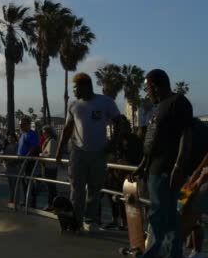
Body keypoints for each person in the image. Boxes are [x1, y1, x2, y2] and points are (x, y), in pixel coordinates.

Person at [126, 69, 193, 258]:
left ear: (156, 85)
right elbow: (152, 141)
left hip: (166, 170)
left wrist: (178, 166)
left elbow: (186, 134)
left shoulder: (178, 103)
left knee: (156, 217)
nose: (147, 92)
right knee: (171, 218)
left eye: (147, 87)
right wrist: (142, 164)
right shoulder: (158, 108)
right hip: (153, 168)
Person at [56, 73, 122, 232]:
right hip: (78, 153)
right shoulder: (73, 105)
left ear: (86, 86)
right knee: (76, 190)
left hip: (99, 153)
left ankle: (90, 220)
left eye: (76, 88)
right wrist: (59, 151)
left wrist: (113, 143)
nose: (74, 91)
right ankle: (75, 221)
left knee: (94, 190)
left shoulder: (105, 102)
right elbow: (67, 129)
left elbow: (119, 122)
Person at [103, 117, 143, 230]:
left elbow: (137, 158)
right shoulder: (116, 140)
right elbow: (110, 153)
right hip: (113, 174)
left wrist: (132, 170)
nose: (117, 128)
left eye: (119, 126)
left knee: (126, 199)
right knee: (113, 197)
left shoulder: (133, 140)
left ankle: (126, 223)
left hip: (126, 175)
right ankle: (116, 220)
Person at [180, 151, 208, 258]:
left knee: (188, 218)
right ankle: (195, 254)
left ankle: (173, 254)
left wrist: (196, 181)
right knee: (184, 213)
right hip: (194, 178)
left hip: (201, 181)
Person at [18, 117, 40, 208]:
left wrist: (27, 157)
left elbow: (34, 147)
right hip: (21, 161)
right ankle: (26, 200)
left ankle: (32, 202)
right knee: (24, 182)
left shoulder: (32, 134)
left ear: (27, 124)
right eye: (20, 124)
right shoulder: (23, 134)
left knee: (29, 182)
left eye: (22, 124)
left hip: (29, 162)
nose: (20, 126)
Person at [40, 125, 59, 211]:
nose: (43, 134)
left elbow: (50, 154)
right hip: (47, 166)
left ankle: (52, 204)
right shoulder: (48, 141)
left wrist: (41, 155)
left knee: (51, 187)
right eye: (43, 132)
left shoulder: (52, 141)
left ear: (49, 132)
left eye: (44, 132)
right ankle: (52, 204)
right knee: (50, 186)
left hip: (50, 167)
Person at [3, 133, 19, 204]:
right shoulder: (7, 146)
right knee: (10, 185)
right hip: (8, 168)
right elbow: (4, 156)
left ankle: (15, 200)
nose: (10, 139)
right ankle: (11, 199)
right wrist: (4, 163)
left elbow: (17, 156)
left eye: (11, 137)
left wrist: (10, 162)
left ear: (14, 138)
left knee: (14, 184)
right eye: (9, 137)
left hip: (14, 167)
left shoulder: (17, 146)